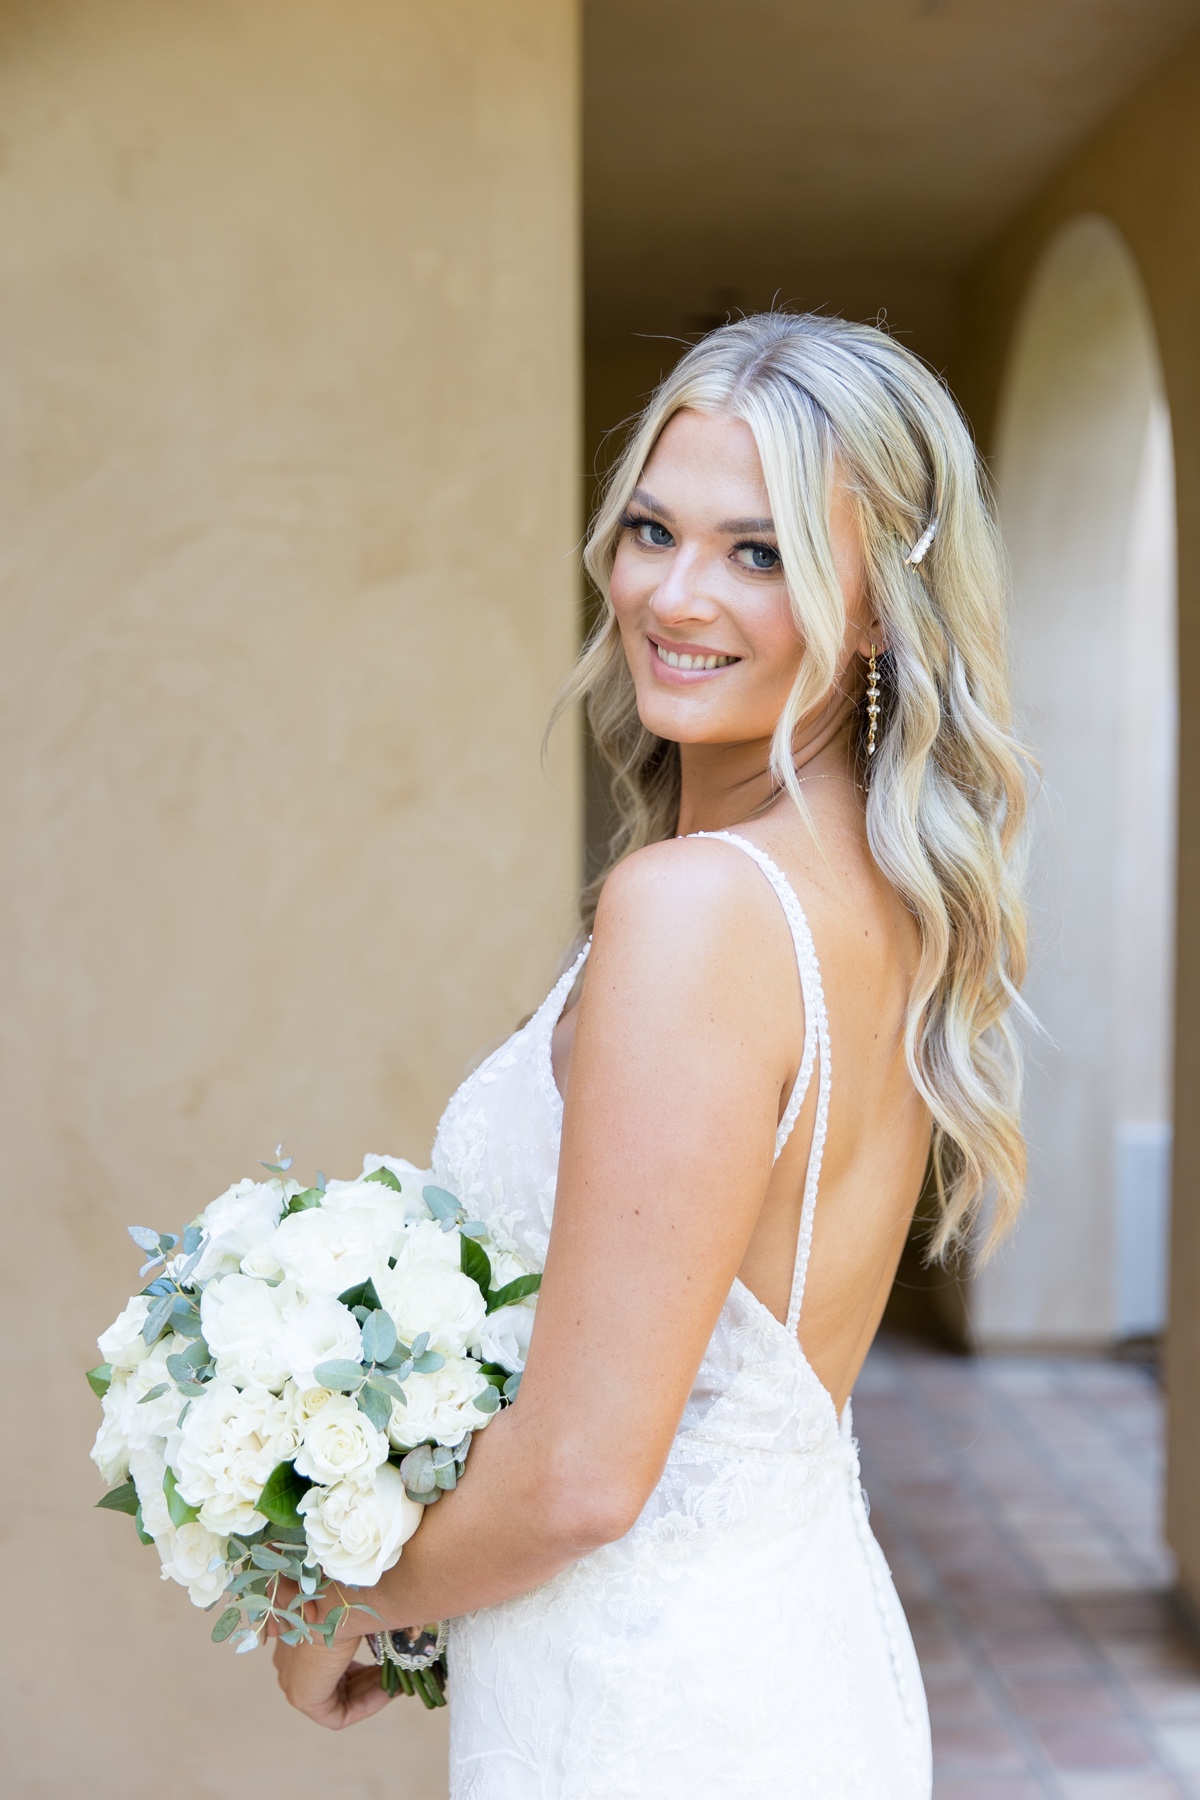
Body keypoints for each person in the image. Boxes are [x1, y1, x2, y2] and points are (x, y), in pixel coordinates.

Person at [271, 312, 1030, 1798]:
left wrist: (332, 1595)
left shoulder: (696, 912)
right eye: (651, 530)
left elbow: (580, 1476)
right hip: (784, 1656)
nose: (675, 595)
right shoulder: (867, 903)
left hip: (648, 1719)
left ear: (876, 606)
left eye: (761, 553)